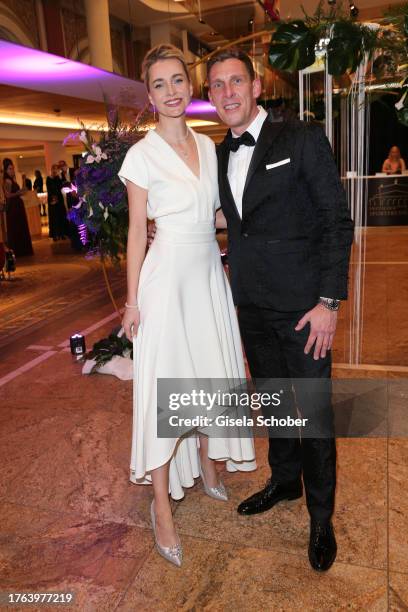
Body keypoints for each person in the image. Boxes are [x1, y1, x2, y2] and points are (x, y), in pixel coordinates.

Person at [206, 48, 354, 571]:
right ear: (210, 96)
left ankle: (320, 517)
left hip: (304, 309)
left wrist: (329, 301)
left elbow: (336, 221)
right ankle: (285, 481)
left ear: (256, 86)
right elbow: (239, 220)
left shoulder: (301, 137)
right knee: (273, 404)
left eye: (235, 81)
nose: (227, 92)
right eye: (217, 85)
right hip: (251, 307)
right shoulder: (218, 155)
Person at [119, 44, 256, 568]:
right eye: (160, 84)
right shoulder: (141, 154)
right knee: (165, 388)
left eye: (178, 80)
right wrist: (132, 301)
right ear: (149, 95)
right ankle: (161, 507)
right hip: (164, 280)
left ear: (189, 86)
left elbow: (219, 217)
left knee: (212, 375)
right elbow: (136, 231)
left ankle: (208, 463)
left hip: (206, 276)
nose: (172, 91)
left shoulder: (209, 145)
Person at [2, 158, 33, 257]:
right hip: (13, 207)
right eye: (10, 169)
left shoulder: (12, 180)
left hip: (18, 206)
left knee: (21, 227)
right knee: (16, 228)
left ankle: (23, 250)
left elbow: (23, 191)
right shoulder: (7, 181)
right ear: (6, 170)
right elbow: (7, 195)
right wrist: (17, 193)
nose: (12, 171)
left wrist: (24, 179)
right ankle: (18, 251)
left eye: (13, 169)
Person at [46, 164, 69, 241]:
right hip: (52, 199)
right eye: (54, 169)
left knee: (61, 216)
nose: (55, 170)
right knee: (54, 217)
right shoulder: (48, 179)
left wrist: (62, 174)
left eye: (56, 169)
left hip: (59, 199)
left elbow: (62, 185)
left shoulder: (58, 178)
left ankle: (62, 234)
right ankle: (55, 235)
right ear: (52, 169)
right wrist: (53, 199)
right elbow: (50, 189)